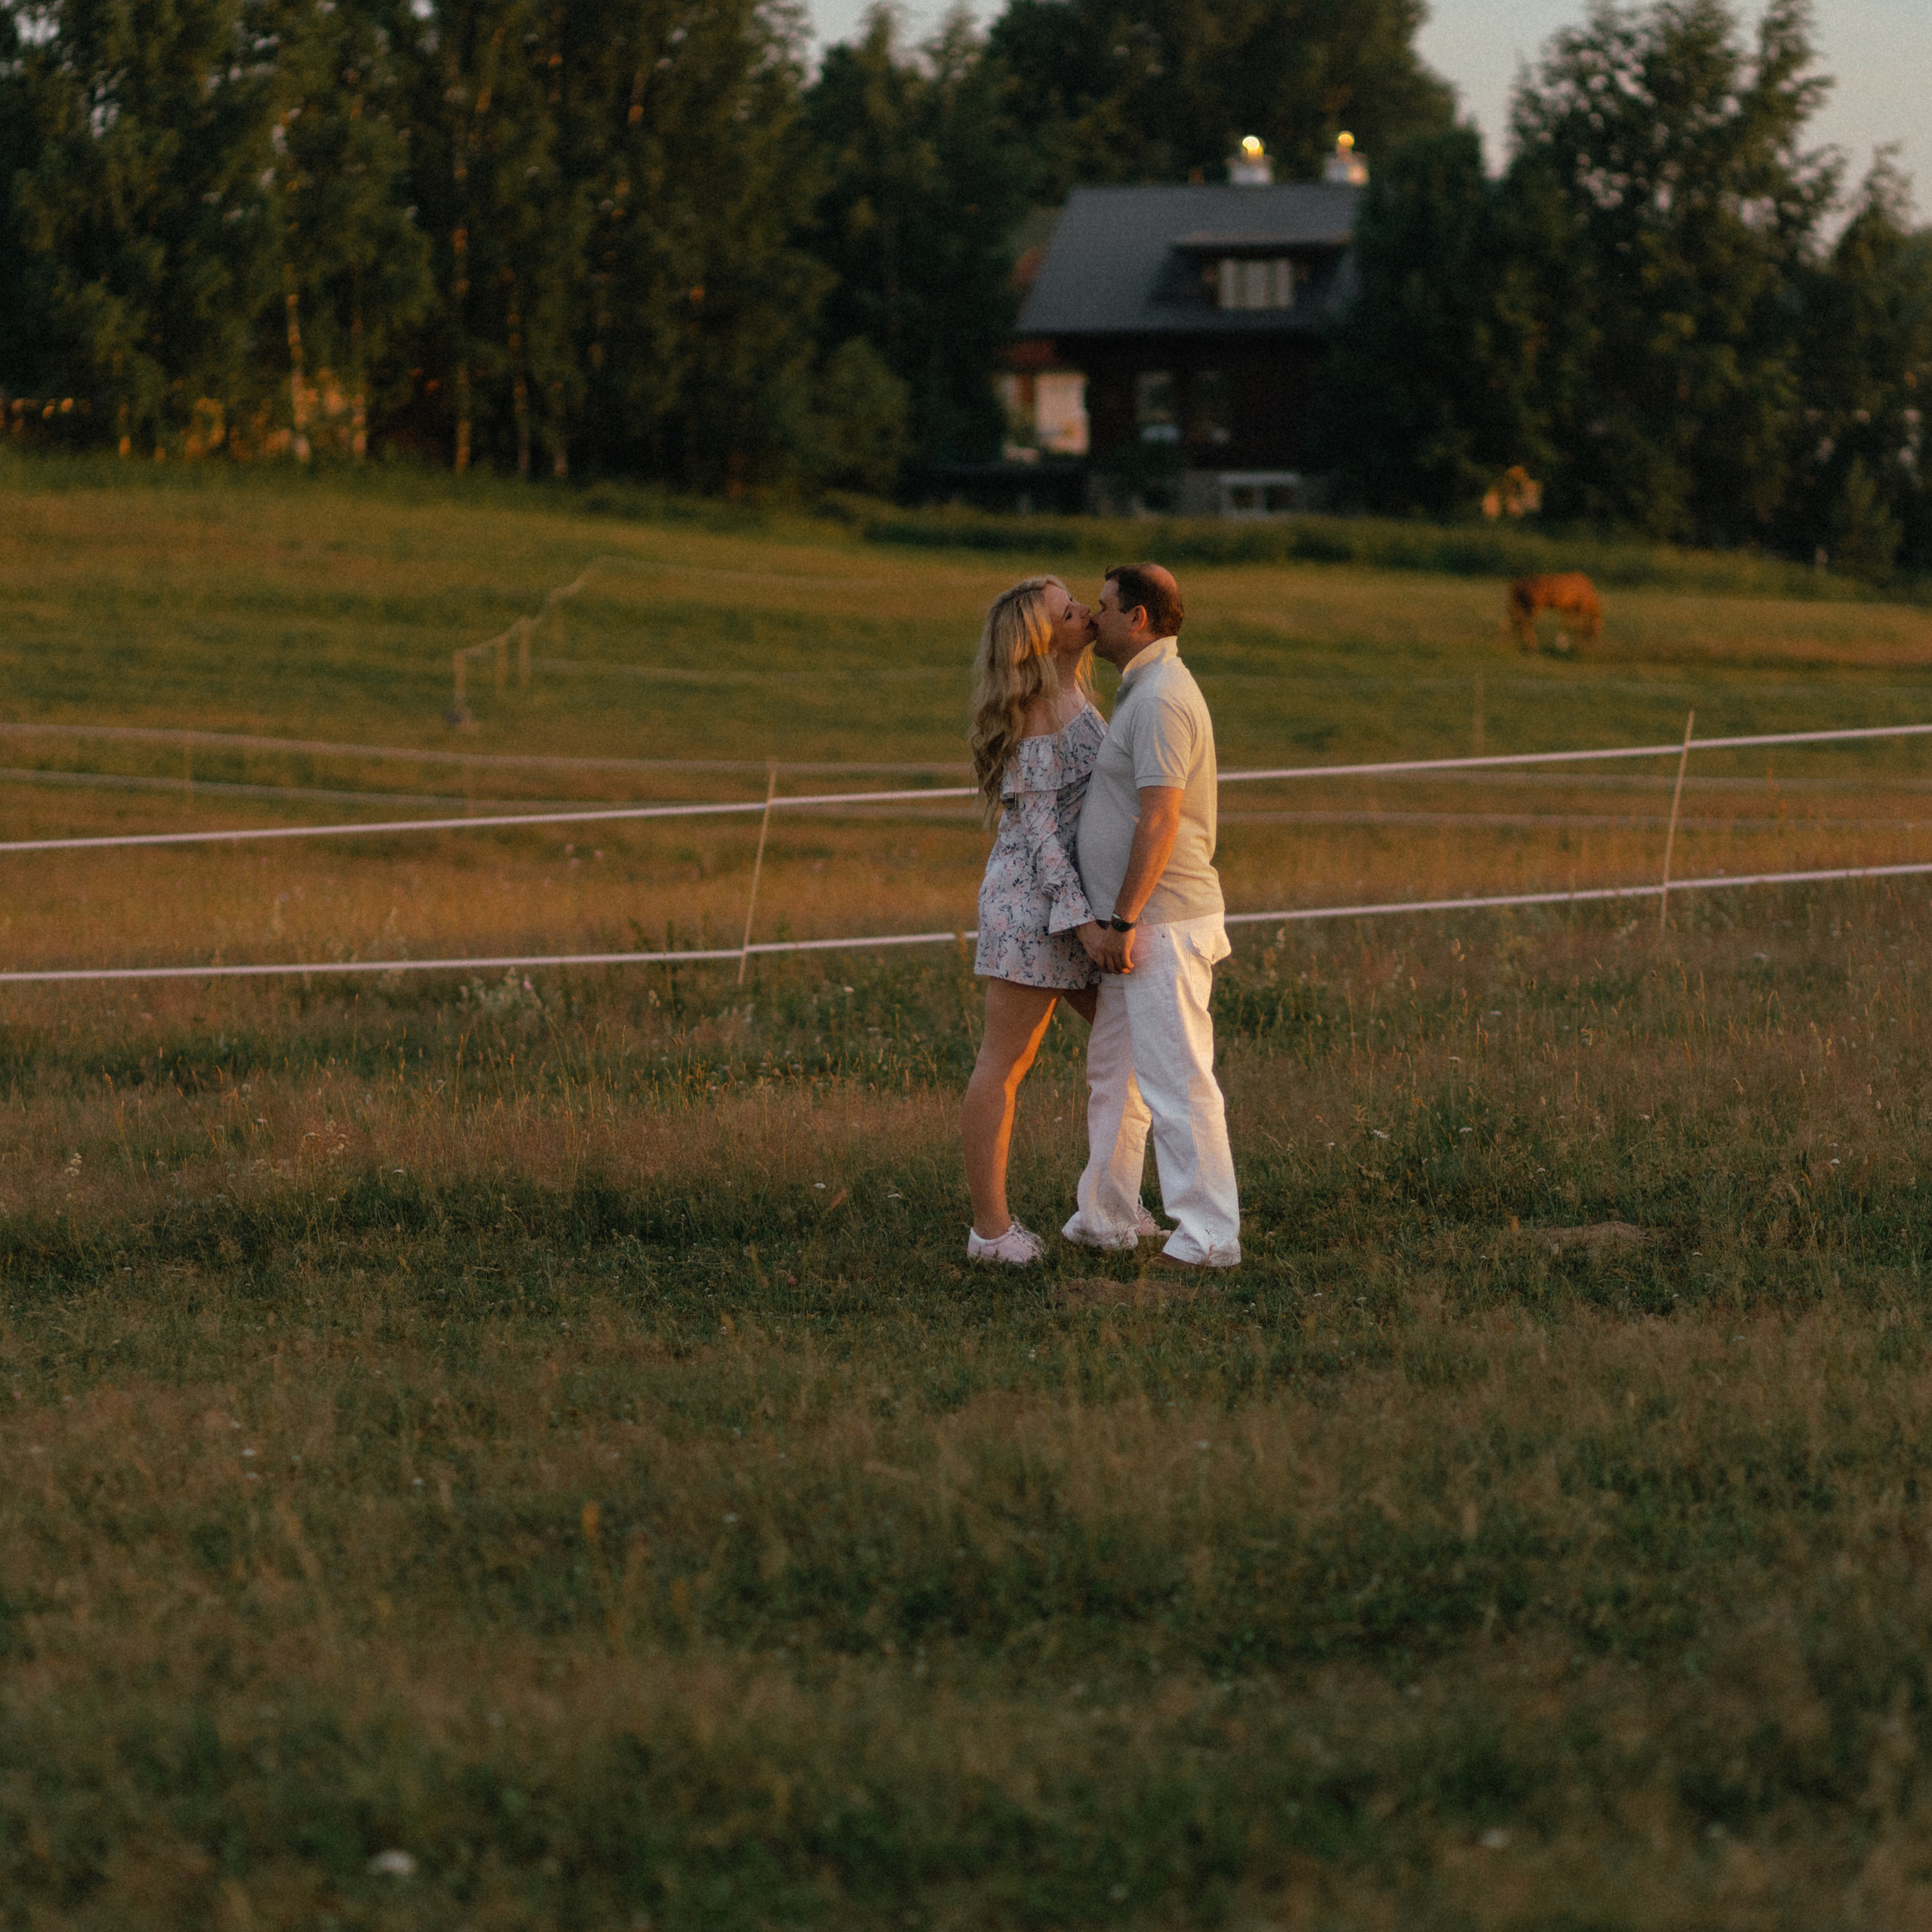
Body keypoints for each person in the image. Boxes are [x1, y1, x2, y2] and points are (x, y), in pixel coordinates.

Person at [961, 575, 1148, 1265]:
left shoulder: (1078, 693)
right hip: (1033, 911)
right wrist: (1087, 929)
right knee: (1005, 1064)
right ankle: (990, 1231)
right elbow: (1041, 840)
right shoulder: (1038, 710)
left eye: (1078, 602)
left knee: (1125, 1046)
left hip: (1074, 909)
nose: (1081, 613)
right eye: (1064, 611)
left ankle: (1114, 1203)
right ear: (1042, 639)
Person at [1064, 563, 1241, 1272]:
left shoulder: (1164, 697)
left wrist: (1123, 919)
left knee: (1177, 1081)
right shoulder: (1142, 692)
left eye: (1104, 606)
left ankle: (1208, 1235)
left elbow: (1163, 818)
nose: (1093, 616)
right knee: (1115, 1076)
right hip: (1140, 926)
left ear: (1138, 619)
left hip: (1159, 923)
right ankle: (1105, 1216)